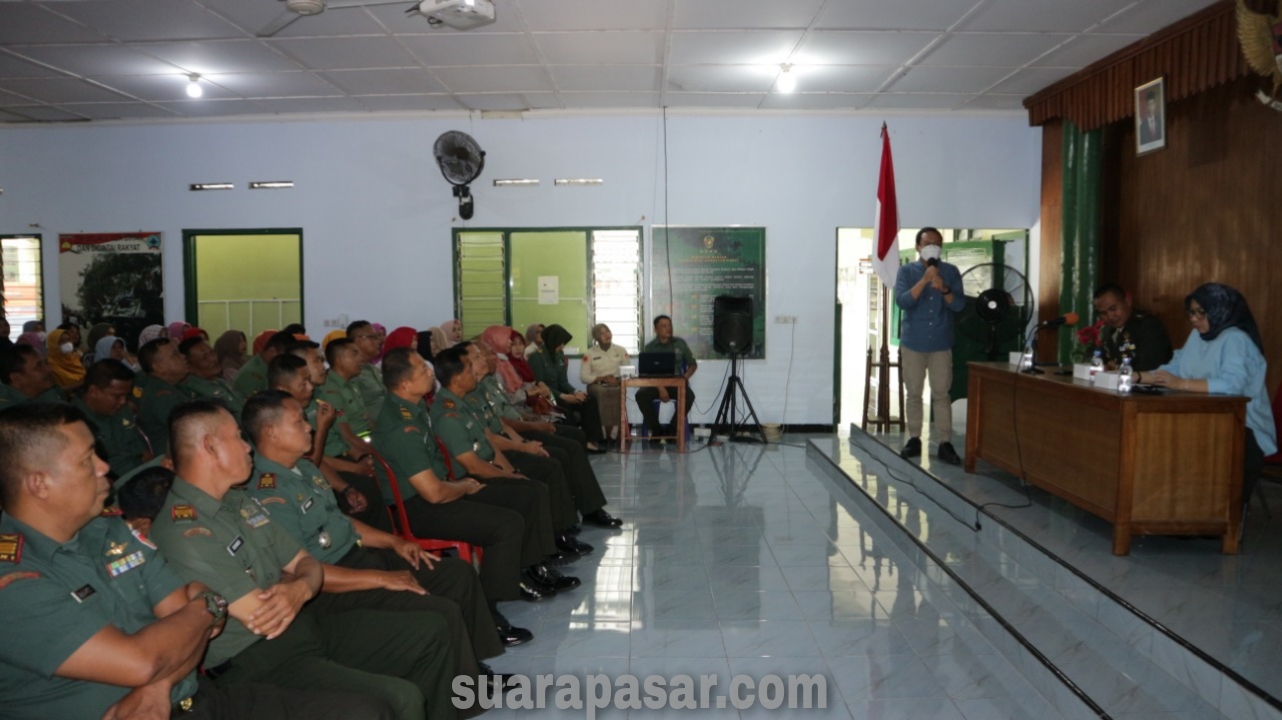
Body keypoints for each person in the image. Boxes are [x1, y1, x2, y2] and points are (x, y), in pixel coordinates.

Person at [0, 402, 397, 720]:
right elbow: (143, 660)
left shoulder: (110, 532)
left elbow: (209, 617)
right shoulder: (14, 579)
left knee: (366, 710)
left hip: (189, 698)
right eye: (88, 460)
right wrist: (202, 609)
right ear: (39, 483)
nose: (105, 467)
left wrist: (161, 681)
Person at [149, 400, 461, 720]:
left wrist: (297, 588)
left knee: (430, 631)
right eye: (239, 438)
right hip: (260, 660)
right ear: (210, 447)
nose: (248, 447)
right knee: (398, 699)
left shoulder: (237, 500)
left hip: (303, 626)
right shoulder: (184, 532)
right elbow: (264, 614)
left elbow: (306, 562)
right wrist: (299, 580)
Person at [241, 391, 524, 658]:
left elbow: (341, 522)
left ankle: (476, 662)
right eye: (299, 421)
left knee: (457, 574)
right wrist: (382, 578)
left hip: (360, 558)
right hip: (332, 586)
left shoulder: (304, 468)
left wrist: (394, 542)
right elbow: (303, 570)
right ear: (270, 432)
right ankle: (465, 686)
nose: (310, 427)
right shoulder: (267, 494)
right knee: (437, 609)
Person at [372, 347, 569, 603]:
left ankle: (529, 570)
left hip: (441, 490)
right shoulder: (402, 427)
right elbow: (432, 493)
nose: (430, 372)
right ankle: (492, 605)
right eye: (423, 369)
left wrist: (465, 485)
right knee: (506, 523)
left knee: (525, 496)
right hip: (420, 509)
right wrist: (465, 486)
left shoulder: (413, 408)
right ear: (406, 383)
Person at [433, 344, 590, 558]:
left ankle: (550, 545)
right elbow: (472, 464)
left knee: (538, 478)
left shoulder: (463, 403)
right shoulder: (449, 413)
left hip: (489, 463)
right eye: (471, 365)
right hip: (472, 477)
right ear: (457, 376)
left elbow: (490, 441)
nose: (481, 364)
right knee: (533, 489)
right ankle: (538, 560)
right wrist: (511, 474)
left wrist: (514, 471)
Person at [1144, 283, 1277, 502]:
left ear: (1220, 310)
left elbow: (1233, 386)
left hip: (1242, 427)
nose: (1194, 319)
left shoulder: (1235, 339)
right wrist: (1135, 376)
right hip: (1203, 419)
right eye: (1191, 313)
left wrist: (1181, 384)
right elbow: (1174, 368)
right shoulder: (1199, 335)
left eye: (1201, 313)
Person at [472, 340, 622, 529]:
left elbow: (507, 412)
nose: (493, 358)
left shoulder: (490, 381)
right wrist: (532, 430)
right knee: (565, 451)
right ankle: (571, 515)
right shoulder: (476, 390)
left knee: (575, 437)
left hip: (519, 427)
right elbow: (500, 425)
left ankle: (584, 503)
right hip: (509, 438)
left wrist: (532, 420)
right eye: (484, 355)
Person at [894, 227, 965, 466]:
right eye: (927, 243)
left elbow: (959, 306)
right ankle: (914, 438)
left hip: (941, 343)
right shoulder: (906, 271)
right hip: (914, 342)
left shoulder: (951, 272)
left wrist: (944, 289)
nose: (932, 247)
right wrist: (925, 280)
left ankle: (945, 442)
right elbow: (903, 301)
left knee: (941, 394)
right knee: (913, 393)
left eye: (937, 243)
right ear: (918, 247)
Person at [529, 324, 606, 451]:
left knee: (589, 400)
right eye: (560, 343)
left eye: (563, 343)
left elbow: (563, 382)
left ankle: (591, 442)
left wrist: (575, 392)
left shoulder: (559, 355)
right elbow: (540, 385)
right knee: (565, 406)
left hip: (561, 393)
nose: (562, 346)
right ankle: (574, 444)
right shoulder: (536, 357)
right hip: (546, 396)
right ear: (551, 340)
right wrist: (564, 396)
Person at [72, 358, 151, 479]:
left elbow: (143, 451)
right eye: (117, 396)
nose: (123, 401)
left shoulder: (121, 409)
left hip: (140, 475)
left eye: (126, 396)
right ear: (94, 391)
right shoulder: (72, 423)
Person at [634, 315, 697, 444]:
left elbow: (693, 364)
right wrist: (660, 387)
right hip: (655, 384)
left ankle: (672, 430)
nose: (668, 328)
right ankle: (656, 430)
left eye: (669, 325)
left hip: (676, 383)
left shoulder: (679, 344)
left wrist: (684, 378)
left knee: (689, 397)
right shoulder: (650, 347)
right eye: (664, 326)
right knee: (641, 395)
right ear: (656, 329)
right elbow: (647, 372)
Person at [1092, 283, 1174, 371]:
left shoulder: (1149, 327)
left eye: (1113, 309)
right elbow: (1098, 358)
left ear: (1128, 301)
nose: (1110, 316)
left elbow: (1149, 366)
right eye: (1103, 313)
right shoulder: (1108, 330)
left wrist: (1116, 367)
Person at [135, 338, 196, 455]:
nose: (183, 356)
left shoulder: (169, 387)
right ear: (159, 366)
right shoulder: (161, 397)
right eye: (175, 354)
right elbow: (192, 429)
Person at [580, 323, 629, 442]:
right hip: (597, 384)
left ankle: (615, 432)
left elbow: (628, 372)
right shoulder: (590, 353)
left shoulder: (621, 350)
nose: (606, 335)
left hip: (616, 383)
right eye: (602, 333)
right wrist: (601, 378)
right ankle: (602, 432)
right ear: (596, 338)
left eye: (607, 331)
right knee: (601, 393)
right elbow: (584, 377)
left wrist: (617, 381)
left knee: (618, 392)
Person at [181, 336, 248, 418]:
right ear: (189, 367)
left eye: (212, 353)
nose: (213, 359)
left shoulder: (220, 381)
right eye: (205, 358)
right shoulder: (194, 391)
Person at [0, 343, 65, 407]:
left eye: (46, 363)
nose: (49, 369)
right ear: (16, 378)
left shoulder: (46, 391)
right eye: (39, 367)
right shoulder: (7, 410)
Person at [348, 320, 389, 417]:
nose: (379, 341)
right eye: (374, 337)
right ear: (360, 340)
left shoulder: (373, 369)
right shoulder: (351, 371)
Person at [234, 330, 292, 397]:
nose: (286, 361)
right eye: (283, 357)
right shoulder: (252, 374)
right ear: (272, 351)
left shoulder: (267, 366)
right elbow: (254, 405)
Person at [47, 324, 85, 389]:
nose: (67, 344)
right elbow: (53, 391)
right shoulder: (49, 365)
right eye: (62, 341)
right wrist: (77, 385)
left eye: (68, 340)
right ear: (53, 344)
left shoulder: (75, 359)